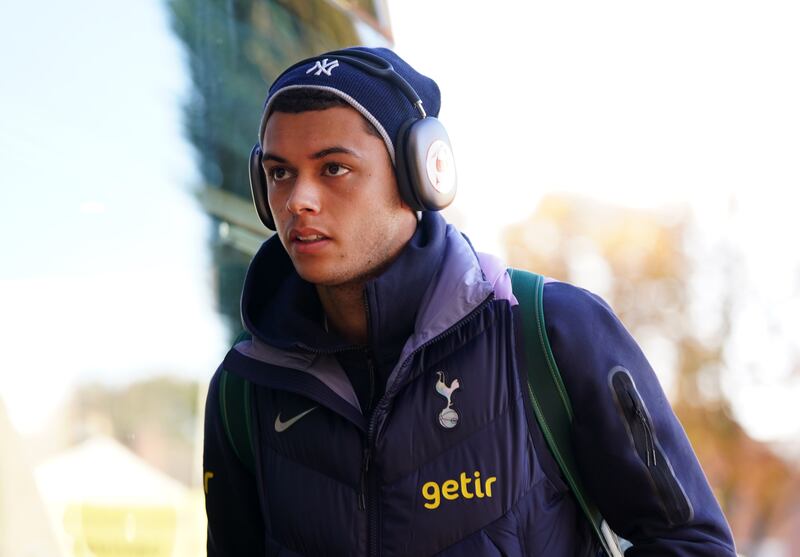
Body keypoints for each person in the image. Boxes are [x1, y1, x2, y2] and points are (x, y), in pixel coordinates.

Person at [202, 46, 736, 556]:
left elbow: (692, 545)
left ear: (421, 176)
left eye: (334, 168)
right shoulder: (244, 389)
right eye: (280, 173)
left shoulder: (554, 333)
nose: (299, 199)